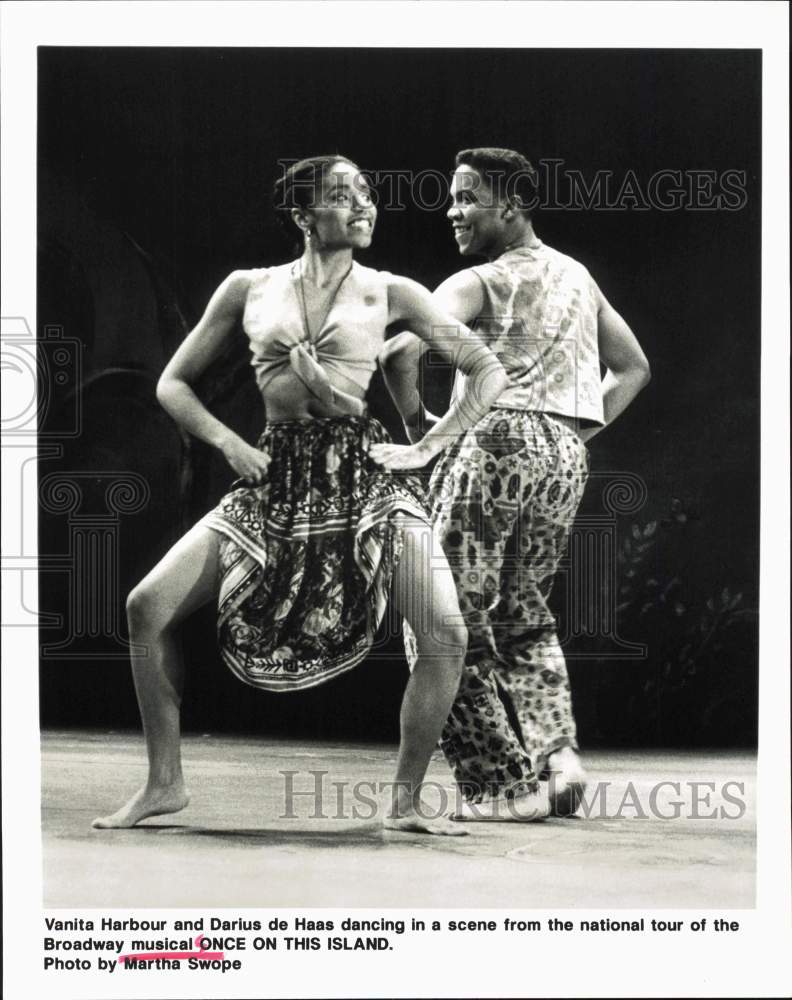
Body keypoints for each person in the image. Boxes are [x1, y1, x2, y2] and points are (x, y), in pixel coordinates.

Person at [92, 154, 514, 836]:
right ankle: (164, 784)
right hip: (276, 479)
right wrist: (228, 444)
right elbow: (174, 382)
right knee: (147, 606)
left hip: (366, 478)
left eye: (368, 195)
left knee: (445, 632)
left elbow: (486, 369)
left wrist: (428, 446)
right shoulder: (249, 289)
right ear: (303, 213)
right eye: (345, 196)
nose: (364, 207)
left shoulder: (390, 291)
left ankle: (405, 801)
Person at [373, 147, 651, 820]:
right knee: (524, 614)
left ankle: (501, 785)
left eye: (468, 197)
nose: (453, 210)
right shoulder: (580, 278)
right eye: (450, 197)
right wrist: (567, 435)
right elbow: (634, 366)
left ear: (512, 206)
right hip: (562, 454)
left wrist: (423, 431)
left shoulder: (482, 281)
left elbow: (399, 350)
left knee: (441, 622)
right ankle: (557, 754)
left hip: (494, 442)